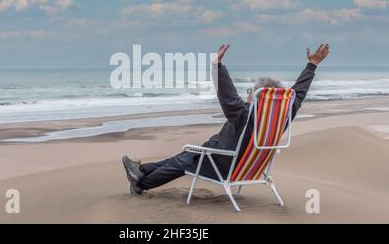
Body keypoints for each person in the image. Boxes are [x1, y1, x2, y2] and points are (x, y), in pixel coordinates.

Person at [122, 44, 330, 195]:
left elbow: (227, 96)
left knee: (186, 159)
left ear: (256, 96)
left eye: (251, 92)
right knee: (190, 153)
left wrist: (217, 65)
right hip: (251, 167)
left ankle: (141, 184)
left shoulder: (245, 115)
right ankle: (141, 170)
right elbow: (298, 93)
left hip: (225, 165)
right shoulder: (283, 115)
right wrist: (311, 66)